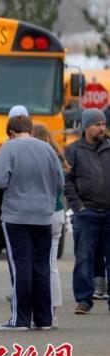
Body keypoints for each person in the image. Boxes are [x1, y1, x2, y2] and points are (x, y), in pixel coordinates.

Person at [0, 115, 64, 330]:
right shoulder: (47, 148)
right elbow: (60, 181)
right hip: (43, 215)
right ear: (29, 129)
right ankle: (44, 319)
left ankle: (20, 318)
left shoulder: (9, 148)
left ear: (11, 132)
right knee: (42, 265)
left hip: (16, 215)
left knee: (21, 265)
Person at [64, 108, 110, 314]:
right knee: (83, 257)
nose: (102, 128)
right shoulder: (73, 150)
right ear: (86, 127)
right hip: (86, 213)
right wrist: (78, 207)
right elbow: (66, 181)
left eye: (103, 124)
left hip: (108, 212)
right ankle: (84, 299)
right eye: (98, 125)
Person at [32, 123, 68, 327]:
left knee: (37, 264)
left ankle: (39, 309)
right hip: (58, 211)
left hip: (41, 213)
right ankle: (53, 312)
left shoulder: (36, 158)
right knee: (51, 264)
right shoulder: (56, 155)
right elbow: (61, 184)